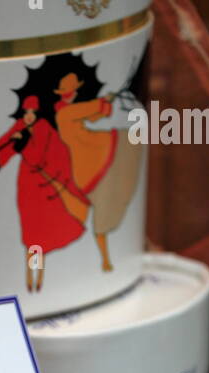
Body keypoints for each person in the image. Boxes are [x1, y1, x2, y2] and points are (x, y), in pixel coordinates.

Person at [0, 95, 87, 292]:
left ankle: (38, 280)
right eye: (26, 113)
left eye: (32, 113)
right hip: (28, 187)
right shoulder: (20, 126)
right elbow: (6, 144)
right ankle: (30, 277)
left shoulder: (44, 128)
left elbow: (36, 157)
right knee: (31, 236)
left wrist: (24, 140)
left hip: (43, 188)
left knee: (40, 237)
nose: (28, 117)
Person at [53, 71, 143, 274]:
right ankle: (104, 260)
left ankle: (105, 260)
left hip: (95, 153)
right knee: (131, 140)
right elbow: (91, 109)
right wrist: (104, 101)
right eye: (68, 91)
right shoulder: (64, 113)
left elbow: (94, 115)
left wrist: (105, 104)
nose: (71, 93)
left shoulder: (71, 111)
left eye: (73, 90)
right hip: (92, 160)